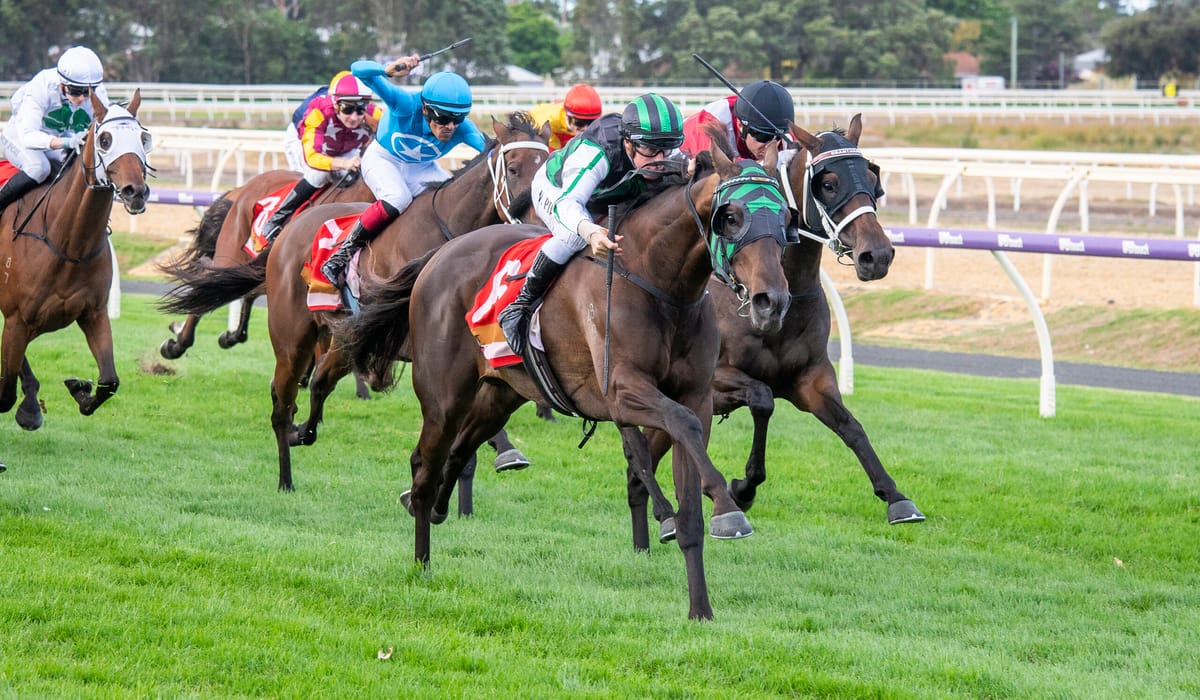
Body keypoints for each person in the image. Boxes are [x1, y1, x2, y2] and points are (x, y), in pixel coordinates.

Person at [499, 93, 685, 356]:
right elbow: (569, 204)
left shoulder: (661, 148)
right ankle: (520, 305)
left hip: (607, 193)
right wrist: (591, 231)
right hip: (557, 189)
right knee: (573, 236)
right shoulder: (596, 152)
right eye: (650, 150)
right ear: (628, 143)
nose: (660, 158)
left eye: (668, 148)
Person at [321, 55, 487, 289]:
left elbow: (495, 151)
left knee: (452, 202)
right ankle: (341, 253)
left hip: (422, 168)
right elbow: (358, 69)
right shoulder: (406, 104)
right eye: (444, 118)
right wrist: (386, 70)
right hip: (383, 159)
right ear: (427, 109)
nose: (450, 126)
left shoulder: (463, 129)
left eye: (458, 119)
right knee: (398, 198)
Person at [262, 72, 381, 243]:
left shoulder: (374, 114)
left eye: (360, 109)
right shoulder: (318, 112)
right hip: (303, 141)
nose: (354, 117)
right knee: (318, 175)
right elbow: (313, 158)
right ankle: (277, 218)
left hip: (345, 145)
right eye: (347, 109)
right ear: (335, 104)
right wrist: (344, 163)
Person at [0, 46, 110, 214]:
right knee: (39, 167)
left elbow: (107, 125)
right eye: (76, 91)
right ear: (62, 83)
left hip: (56, 139)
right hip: (20, 137)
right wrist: (66, 142)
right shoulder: (41, 87)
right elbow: (28, 136)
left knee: (79, 170)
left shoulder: (97, 91)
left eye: (88, 92)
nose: (82, 98)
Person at [680, 79, 794, 162]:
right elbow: (718, 171)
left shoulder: (780, 125)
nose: (771, 147)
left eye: (779, 137)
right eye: (763, 136)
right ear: (740, 125)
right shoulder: (712, 123)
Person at [527, 83, 603, 152]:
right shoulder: (547, 121)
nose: (586, 129)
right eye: (580, 123)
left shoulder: (599, 124)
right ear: (567, 116)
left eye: (592, 122)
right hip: (548, 129)